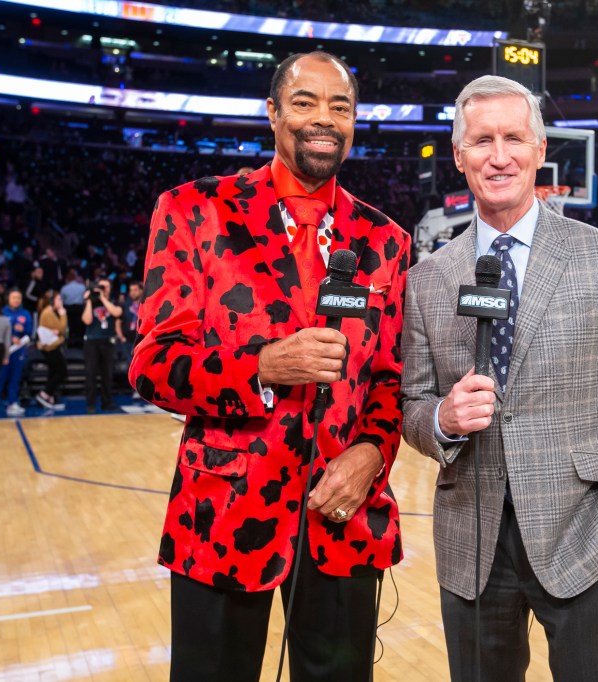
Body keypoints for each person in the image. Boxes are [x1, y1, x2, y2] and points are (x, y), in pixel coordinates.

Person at [128, 51, 409, 682]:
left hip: (343, 512)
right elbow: (153, 364)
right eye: (306, 102)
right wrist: (263, 365)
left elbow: (390, 378)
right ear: (273, 112)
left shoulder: (384, 239)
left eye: (341, 107)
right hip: (226, 511)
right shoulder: (193, 210)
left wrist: (371, 453)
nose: (324, 120)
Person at [401, 75, 598, 682]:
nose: (499, 157)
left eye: (513, 138)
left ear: (540, 149)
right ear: (458, 155)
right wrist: (441, 419)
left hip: (583, 535)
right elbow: (413, 403)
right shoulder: (429, 278)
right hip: (470, 538)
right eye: (481, 141)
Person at [81, 278, 122, 413]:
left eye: (106, 287)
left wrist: (103, 299)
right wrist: (88, 300)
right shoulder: (91, 302)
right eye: (101, 287)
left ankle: (107, 402)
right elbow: (87, 321)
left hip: (108, 341)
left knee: (107, 374)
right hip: (91, 341)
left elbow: (117, 312)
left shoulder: (113, 301)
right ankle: (91, 404)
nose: (103, 289)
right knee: (91, 374)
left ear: (110, 288)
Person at [0, 289, 33, 416]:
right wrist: (11, 336)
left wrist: (23, 329)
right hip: (4, 349)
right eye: (14, 297)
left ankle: (13, 402)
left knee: (15, 377)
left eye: (18, 297)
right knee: (1, 376)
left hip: (19, 350)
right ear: (8, 298)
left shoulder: (25, 313)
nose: (16, 300)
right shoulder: (2, 313)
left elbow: (30, 331)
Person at [35, 290, 68, 409]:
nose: (61, 302)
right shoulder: (48, 313)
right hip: (50, 347)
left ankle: (49, 397)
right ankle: (44, 394)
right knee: (61, 372)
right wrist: (63, 314)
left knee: (54, 372)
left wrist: (59, 332)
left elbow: (59, 330)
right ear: (51, 301)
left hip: (53, 346)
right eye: (59, 299)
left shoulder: (51, 312)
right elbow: (61, 328)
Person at [60, 269, 87, 346]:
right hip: (79, 308)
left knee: (70, 325)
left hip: (68, 309)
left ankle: (71, 342)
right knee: (79, 326)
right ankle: (79, 342)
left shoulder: (64, 288)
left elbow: (62, 300)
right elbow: (85, 298)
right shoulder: (82, 287)